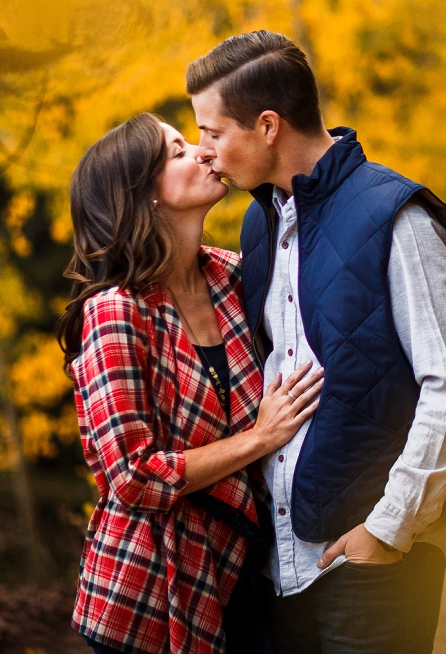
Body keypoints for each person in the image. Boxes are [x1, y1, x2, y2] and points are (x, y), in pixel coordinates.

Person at [187, 32, 446, 654]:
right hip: (283, 566)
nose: (204, 152)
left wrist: (388, 529)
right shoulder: (260, 223)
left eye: (213, 132)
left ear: (267, 125)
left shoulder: (396, 215)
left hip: (373, 558)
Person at [56, 113, 324, 654]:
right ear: (141, 194)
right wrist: (257, 439)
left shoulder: (234, 276)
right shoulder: (116, 312)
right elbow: (133, 475)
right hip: (149, 595)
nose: (203, 153)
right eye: (178, 152)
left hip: (247, 562)